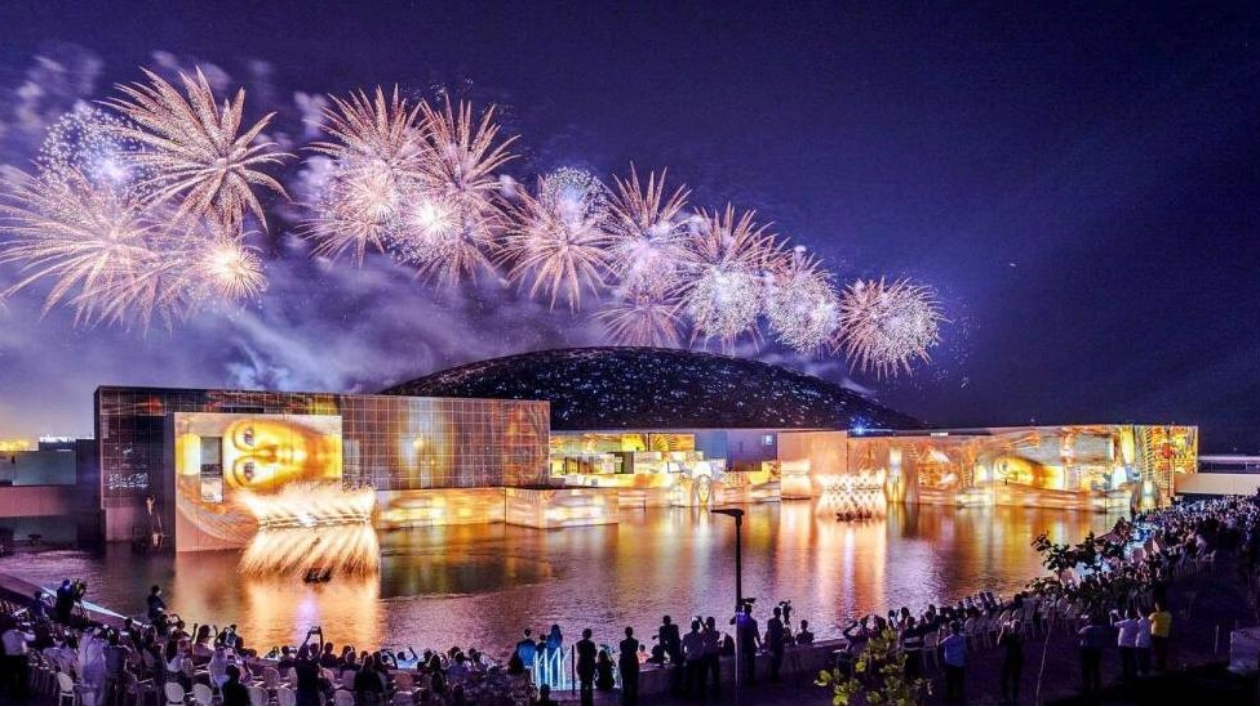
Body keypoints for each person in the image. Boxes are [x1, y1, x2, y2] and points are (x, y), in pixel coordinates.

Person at [1, 617, 33, 702]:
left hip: (8, 658)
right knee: (22, 677)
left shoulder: (4, 634)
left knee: (11, 677)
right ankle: (21, 695)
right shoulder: (19, 634)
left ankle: (13, 695)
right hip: (19, 658)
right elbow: (25, 647)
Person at [734, 603, 761, 687]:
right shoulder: (753, 622)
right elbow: (756, 634)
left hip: (743, 645)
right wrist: (760, 644)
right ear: (750, 611)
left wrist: (737, 613)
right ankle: (751, 680)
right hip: (750, 644)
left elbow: (731, 622)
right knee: (751, 664)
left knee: (744, 663)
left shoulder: (741, 620)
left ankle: (744, 680)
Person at [997, 619, 1024, 707]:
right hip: (1018, 660)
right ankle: (1014, 699)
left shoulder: (1010, 637)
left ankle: (1005, 698)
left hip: (1009, 660)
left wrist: (1003, 631)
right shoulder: (1021, 636)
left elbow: (999, 642)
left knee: (1004, 680)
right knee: (1015, 681)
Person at [940, 620, 967, 705]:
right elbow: (965, 651)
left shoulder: (947, 639)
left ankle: (950, 698)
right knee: (960, 682)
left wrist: (941, 633)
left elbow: (939, 644)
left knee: (949, 683)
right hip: (960, 663)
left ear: (951, 629)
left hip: (950, 664)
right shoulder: (963, 637)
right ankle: (960, 697)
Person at [1078, 614, 1105, 695]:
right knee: (1096, 669)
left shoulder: (1086, 629)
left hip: (1087, 651)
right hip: (1097, 650)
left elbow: (1079, 634)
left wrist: (1081, 623)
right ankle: (1097, 686)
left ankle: (1087, 687)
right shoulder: (1100, 629)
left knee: (1086, 670)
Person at [1112, 608, 1139, 682]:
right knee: (1132, 659)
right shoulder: (1135, 622)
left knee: (1125, 661)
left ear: (1128, 614)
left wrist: (1111, 616)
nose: (1125, 613)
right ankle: (1134, 674)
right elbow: (1123, 621)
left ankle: (1125, 675)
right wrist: (1118, 614)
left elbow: (1113, 625)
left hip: (1123, 645)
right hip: (1131, 644)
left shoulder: (1125, 622)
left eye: (1126, 612)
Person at [681, 618, 706, 699]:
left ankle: (687, 695)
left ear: (691, 627)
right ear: (698, 627)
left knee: (689, 678)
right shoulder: (701, 636)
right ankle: (702, 695)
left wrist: (685, 656)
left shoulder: (686, 636)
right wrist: (702, 622)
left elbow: (681, 648)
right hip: (700, 659)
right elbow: (708, 632)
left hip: (690, 659)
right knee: (701, 678)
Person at [619, 627, 641, 707]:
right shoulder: (636, 642)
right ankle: (634, 702)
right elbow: (634, 650)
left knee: (625, 683)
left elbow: (623, 652)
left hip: (625, 664)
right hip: (633, 663)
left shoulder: (622, 643)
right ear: (632, 632)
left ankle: (626, 702)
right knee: (634, 684)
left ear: (625, 633)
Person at [576, 628, 597, 707]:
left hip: (582, 664)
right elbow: (594, 654)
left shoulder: (578, 643)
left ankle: (583, 702)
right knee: (590, 683)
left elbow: (579, 652)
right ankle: (589, 702)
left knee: (583, 684)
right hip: (590, 664)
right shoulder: (592, 644)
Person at [702, 616, 722, 697]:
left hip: (707, 654)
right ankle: (717, 690)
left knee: (705, 673)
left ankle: (704, 690)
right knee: (716, 673)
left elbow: (704, 634)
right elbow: (710, 634)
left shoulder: (704, 633)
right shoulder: (717, 633)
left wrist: (703, 624)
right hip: (715, 654)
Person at [1150, 602, 1172, 672]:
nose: (1157, 607)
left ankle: (1161, 667)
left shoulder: (1154, 615)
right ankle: (1162, 666)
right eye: (1156, 606)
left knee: (1159, 652)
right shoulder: (1168, 614)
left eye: (1158, 606)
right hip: (1163, 636)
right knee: (1161, 652)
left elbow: (1148, 621)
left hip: (1158, 636)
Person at [766, 605, 786, 683]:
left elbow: (769, 633)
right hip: (777, 645)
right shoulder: (779, 623)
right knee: (777, 662)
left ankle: (774, 677)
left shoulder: (770, 622)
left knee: (774, 661)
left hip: (773, 644)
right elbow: (779, 634)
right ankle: (775, 677)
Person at [1136, 610, 1153, 676]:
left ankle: (1142, 671)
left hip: (1140, 642)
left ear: (1140, 612)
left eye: (1138, 612)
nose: (1137, 613)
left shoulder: (1139, 622)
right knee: (1147, 657)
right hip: (1147, 641)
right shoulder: (1149, 620)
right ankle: (1147, 670)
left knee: (1140, 657)